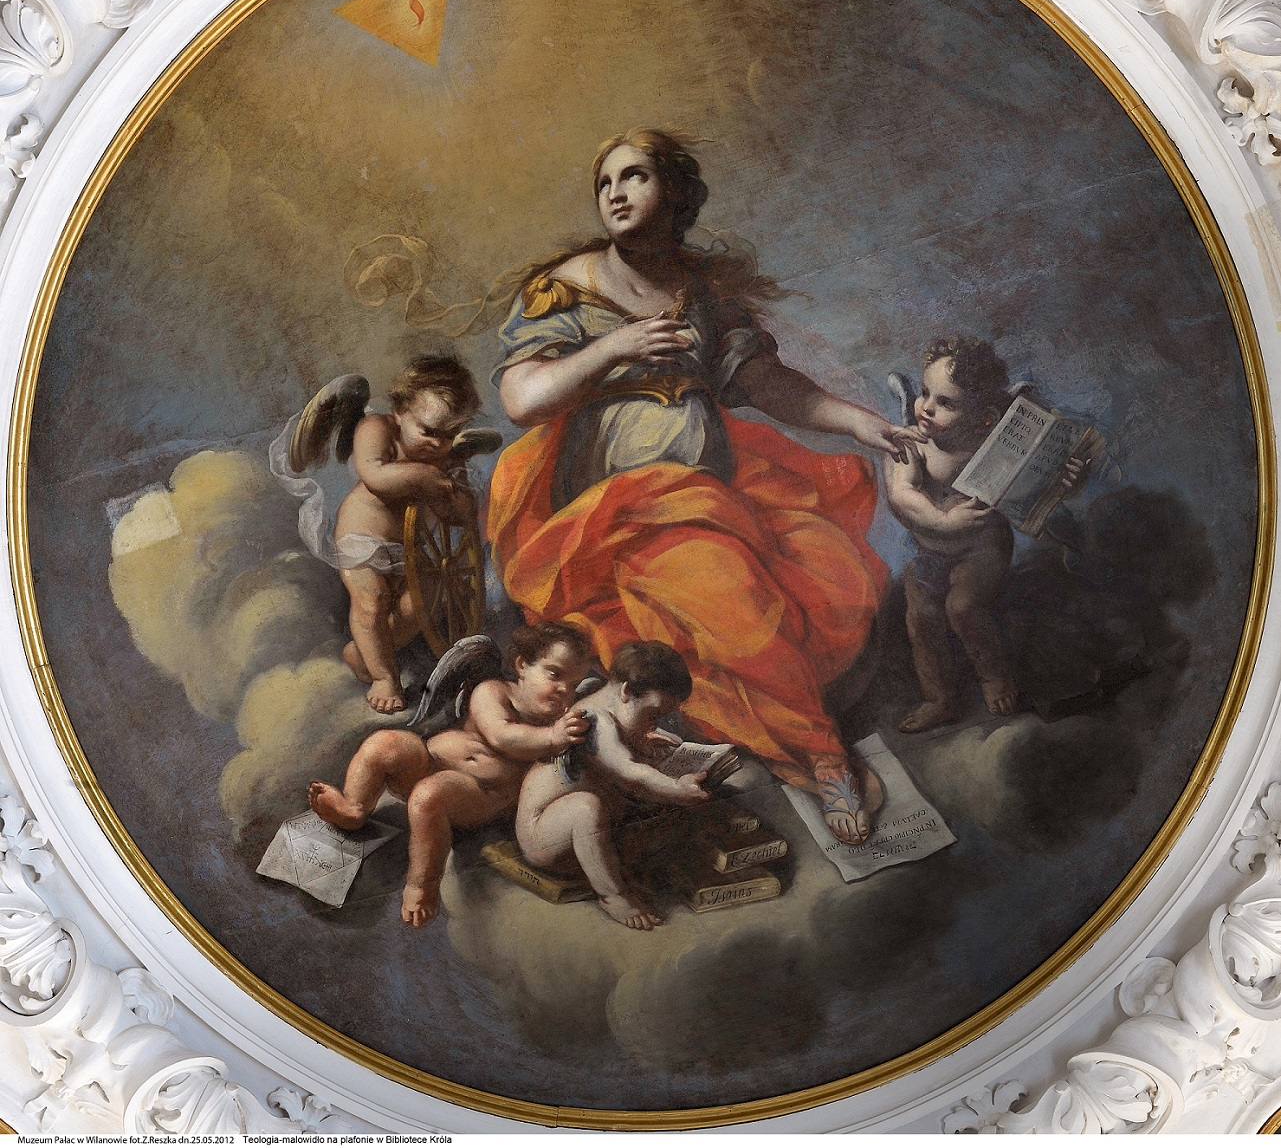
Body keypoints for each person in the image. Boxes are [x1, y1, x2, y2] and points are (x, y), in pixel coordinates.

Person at [487, 128, 923, 845]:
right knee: (732, 601)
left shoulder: (702, 295)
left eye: (634, 177)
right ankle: (823, 756)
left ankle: (789, 743)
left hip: (712, 496)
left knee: (799, 583)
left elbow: (770, 386)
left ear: (676, 193)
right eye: (605, 183)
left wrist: (858, 422)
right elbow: (522, 400)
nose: (615, 194)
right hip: (616, 513)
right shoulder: (565, 288)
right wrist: (614, 347)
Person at [308, 621, 592, 925]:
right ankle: (354, 807)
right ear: (522, 665)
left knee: (430, 793)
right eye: (554, 674)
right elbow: (501, 735)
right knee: (385, 743)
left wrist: (556, 736)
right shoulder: (492, 691)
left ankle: (422, 885)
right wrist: (552, 737)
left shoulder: (563, 725)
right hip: (428, 760)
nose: (564, 690)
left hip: (479, 795)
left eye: (574, 685)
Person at [884, 336, 1089, 733]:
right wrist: (941, 521)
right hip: (928, 552)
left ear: (983, 419)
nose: (926, 407)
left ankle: (994, 676)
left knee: (963, 608)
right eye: (925, 393)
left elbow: (1037, 492)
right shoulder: (913, 444)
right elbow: (902, 494)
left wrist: (1068, 480)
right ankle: (939, 699)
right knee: (921, 619)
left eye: (946, 403)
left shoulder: (995, 448)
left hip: (982, 549)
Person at [517, 641, 708, 931]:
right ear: (626, 691)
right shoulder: (594, 720)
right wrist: (676, 788)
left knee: (644, 816)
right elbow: (628, 771)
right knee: (586, 808)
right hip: (543, 837)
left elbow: (619, 746)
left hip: (576, 834)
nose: (654, 724)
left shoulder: (607, 698)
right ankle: (612, 895)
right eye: (652, 714)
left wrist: (642, 739)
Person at [333, 355, 481, 713]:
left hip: (409, 549)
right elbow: (375, 475)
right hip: (362, 538)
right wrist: (424, 476)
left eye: (449, 435)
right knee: (372, 602)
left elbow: (458, 514)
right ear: (400, 411)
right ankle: (385, 677)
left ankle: (364, 655)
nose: (437, 444)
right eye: (428, 431)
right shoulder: (376, 428)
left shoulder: (445, 459)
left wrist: (453, 494)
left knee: (421, 604)